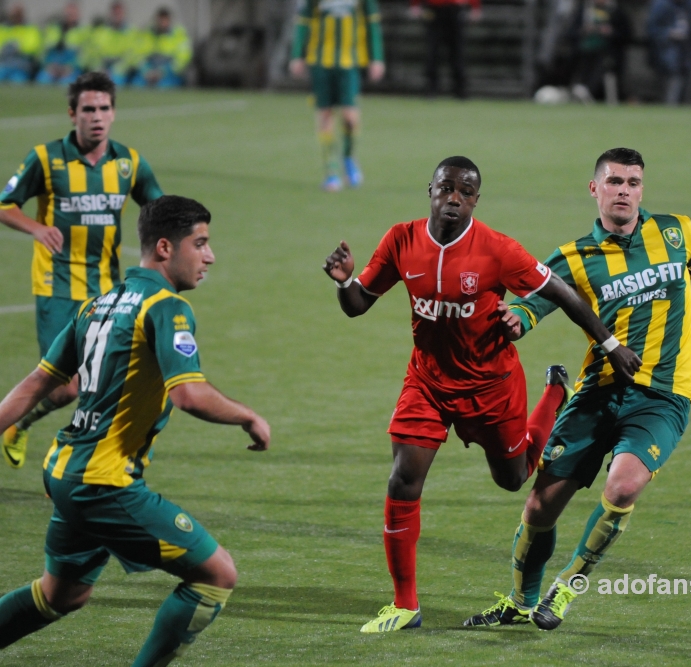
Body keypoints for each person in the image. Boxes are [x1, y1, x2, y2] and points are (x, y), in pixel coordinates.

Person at [323, 155, 641, 632]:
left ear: (475, 200)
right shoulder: (400, 239)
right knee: (402, 480)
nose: (454, 198)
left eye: (465, 192)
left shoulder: (496, 249)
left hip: (492, 387)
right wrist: (346, 280)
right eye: (446, 187)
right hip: (427, 383)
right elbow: (357, 305)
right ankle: (405, 605)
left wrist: (610, 343)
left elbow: (562, 292)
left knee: (513, 479)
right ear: (429, 189)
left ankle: (554, 392)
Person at [464, 147, 691, 630]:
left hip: (663, 397)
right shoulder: (573, 258)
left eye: (632, 182)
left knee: (624, 485)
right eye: (613, 182)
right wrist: (516, 320)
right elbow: (533, 303)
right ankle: (521, 602)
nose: (623, 191)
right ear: (595, 189)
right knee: (540, 506)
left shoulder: (676, 232)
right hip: (599, 392)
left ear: (641, 189)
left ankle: (566, 587)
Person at [0, 195, 271, 665]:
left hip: (64, 473)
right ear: (164, 248)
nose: (209, 256)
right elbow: (189, 394)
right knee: (217, 575)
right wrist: (248, 415)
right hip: (105, 485)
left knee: (61, 595)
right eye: (200, 243)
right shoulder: (166, 307)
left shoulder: (96, 305)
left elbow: (36, 384)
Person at [1, 71, 163, 470]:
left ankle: (100, 458)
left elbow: (160, 210)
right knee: (64, 390)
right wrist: (37, 229)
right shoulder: (45, 158)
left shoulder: (129, 163)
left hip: (107, 291)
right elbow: (5, 204)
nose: (97, 117)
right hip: (56, 287)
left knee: (115, 379)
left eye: (104, 108)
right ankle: (19, 424)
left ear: (114, 113)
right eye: (88, 109)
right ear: (72, 113)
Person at [289, 0, 385, 191]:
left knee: (350, 117)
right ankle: (330, 170)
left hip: (350, 63)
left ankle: (348, 157)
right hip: (320, 61)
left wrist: (377, 58)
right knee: (325, 114)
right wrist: (297, 54)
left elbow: (372, 23)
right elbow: (303, 22)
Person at [410, 0, 480, 99]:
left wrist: (475, 7)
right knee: (432, 51)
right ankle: (431, 89)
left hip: (455, 9)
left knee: (457, 52)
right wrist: (415, 4)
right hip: (434, 9)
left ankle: (460, 90)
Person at [647, 0, 691, 105]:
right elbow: (652, 30)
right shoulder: (661, 5)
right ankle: (670, 109)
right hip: (667, 52)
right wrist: (669, 33)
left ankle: (687, 109)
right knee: (673, 82)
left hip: (689, 52)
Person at [131, 7, 192, 88]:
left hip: (170, 74)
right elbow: (137, 54)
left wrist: (164, 71)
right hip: (149, 71)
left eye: (165, 20)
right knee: (136, 85)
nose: (162, 23)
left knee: (164, 87)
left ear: (169, 20)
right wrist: (145, 70)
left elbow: (183, 58)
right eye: (160, 20)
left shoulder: (179, 34)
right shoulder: (147, 34)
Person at [36, 2, 92, 85]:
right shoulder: (53, 30)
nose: (70, 16)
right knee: (42, 80)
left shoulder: (83, 33)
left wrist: (72, 67)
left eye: (73, 13)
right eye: (69, 13)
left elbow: (86, 56)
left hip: (71, 69)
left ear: (78, 14)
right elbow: (42, 51)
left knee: (66, 84)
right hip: (52, 67)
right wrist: (49, 65)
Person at [85, 1, 138, 85]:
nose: (117, 15)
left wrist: (115, 70)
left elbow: (132, 56)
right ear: (110, 13)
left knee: (115, 82)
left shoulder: (131, 33)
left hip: (120, 71)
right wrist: (100, 68)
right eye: (115, 13)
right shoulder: (101, 32)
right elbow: (93, 53)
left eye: (119, 13)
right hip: (103, 68)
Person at [0, 4, 42, 84]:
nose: (15, 17)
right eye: (14, 15)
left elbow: (33, 47)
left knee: (18, 80)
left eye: (18, 15)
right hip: (4, 64)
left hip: (22, 65)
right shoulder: (3, 28)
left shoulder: (31, 29)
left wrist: (18, 48)